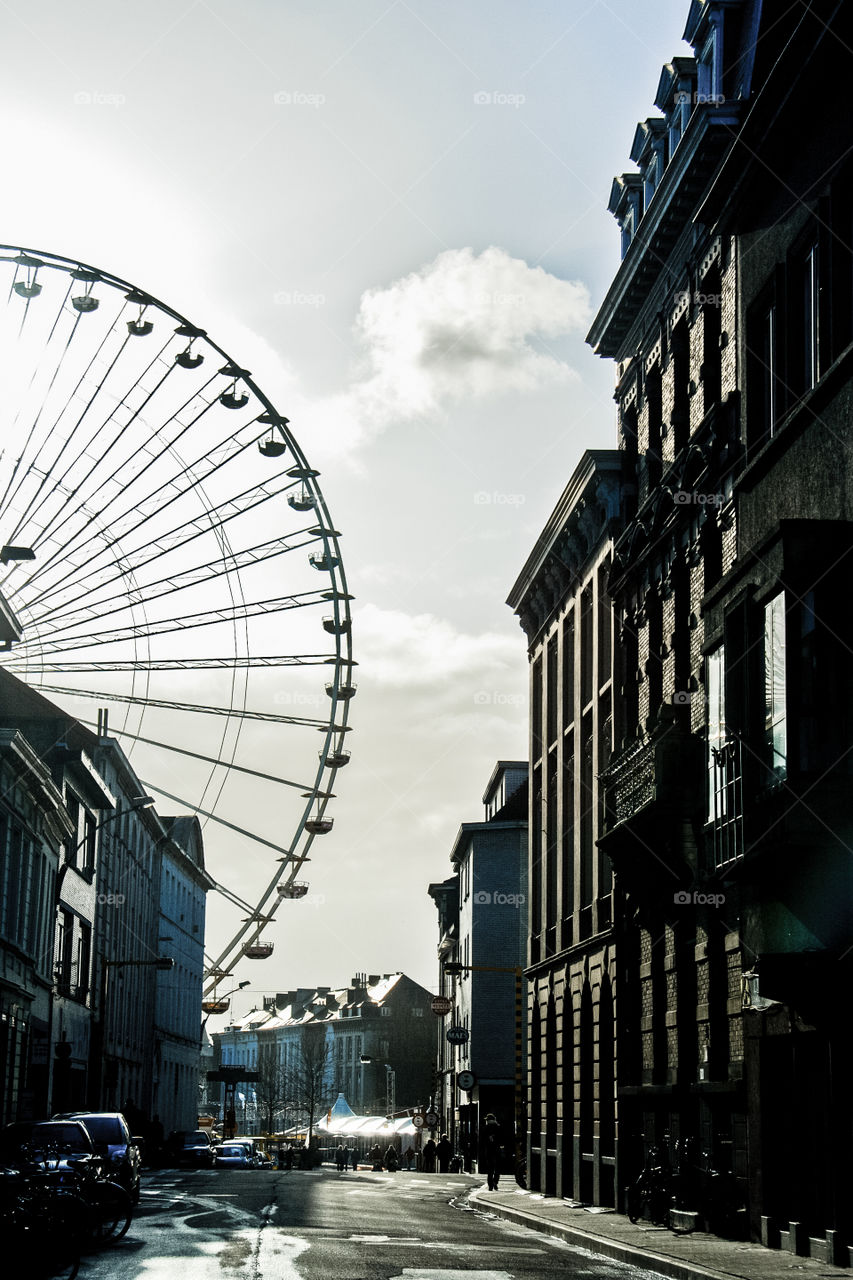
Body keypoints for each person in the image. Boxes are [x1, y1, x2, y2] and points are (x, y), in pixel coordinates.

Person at [481, 1113, 502, 1190]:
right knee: (497, 1168)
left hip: (489, 1150)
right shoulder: (498, 1127)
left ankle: (490, 1185)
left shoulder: (485, 1128)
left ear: (488, 1120)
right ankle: (495, 1182)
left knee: (490, 1168)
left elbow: (482, 1140)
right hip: (497, 1149)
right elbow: (502, 1139)